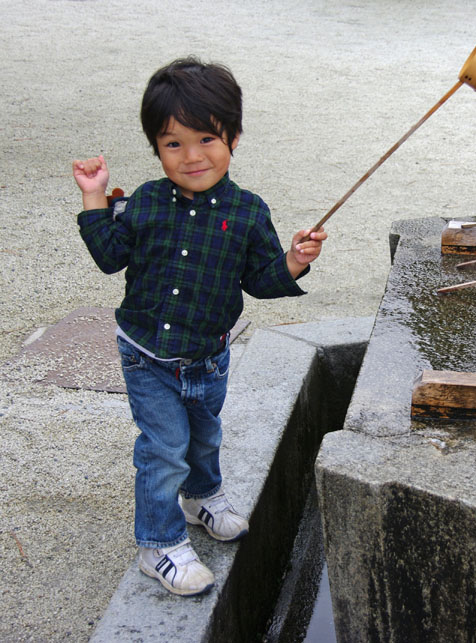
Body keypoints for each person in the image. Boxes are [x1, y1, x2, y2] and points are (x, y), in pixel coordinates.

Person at [71, 57, 326, 597]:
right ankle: (158, 543)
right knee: (164, 446)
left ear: (233, 137)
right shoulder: (143, 202)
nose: (191, 157)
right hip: (148, 355)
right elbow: (109, 257)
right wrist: (96, 196)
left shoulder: (249, 211)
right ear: (156, 148)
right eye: (173, 144)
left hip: (209, 356)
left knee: (204, 435)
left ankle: (201, 496)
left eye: (207, 139)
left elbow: (260, 280)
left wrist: (295, 261)